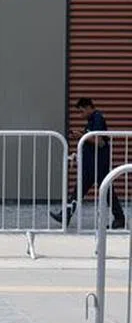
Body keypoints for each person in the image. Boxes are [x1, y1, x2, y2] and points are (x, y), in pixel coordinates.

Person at [51, 98, 124, 229]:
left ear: (89, 107)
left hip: (98, 164)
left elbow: (99, 141)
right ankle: (65, 215)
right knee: (79, 191)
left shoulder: (97, 119)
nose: (80, 115)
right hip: (91, 164)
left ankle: (119, 219)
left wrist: (81, 135)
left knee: (106, 190)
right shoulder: (92, 120)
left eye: (81, 111)